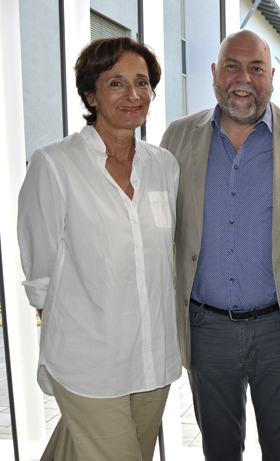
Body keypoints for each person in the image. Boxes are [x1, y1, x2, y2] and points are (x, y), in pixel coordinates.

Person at [160, 29, 280, 461]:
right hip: (207, 331)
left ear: (272, 76)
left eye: (256, 68)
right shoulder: (177, 137)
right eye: (232, 66)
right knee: (219, 451)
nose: (243, 78)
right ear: (214, 73)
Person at [18, 37, 181, 461]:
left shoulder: (164, 165)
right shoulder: (55, 164)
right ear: (91, 95)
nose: (133, 94)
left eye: (142, 83)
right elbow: (40, 274)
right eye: (116, 83)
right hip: (89, 361)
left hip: (153, 359)